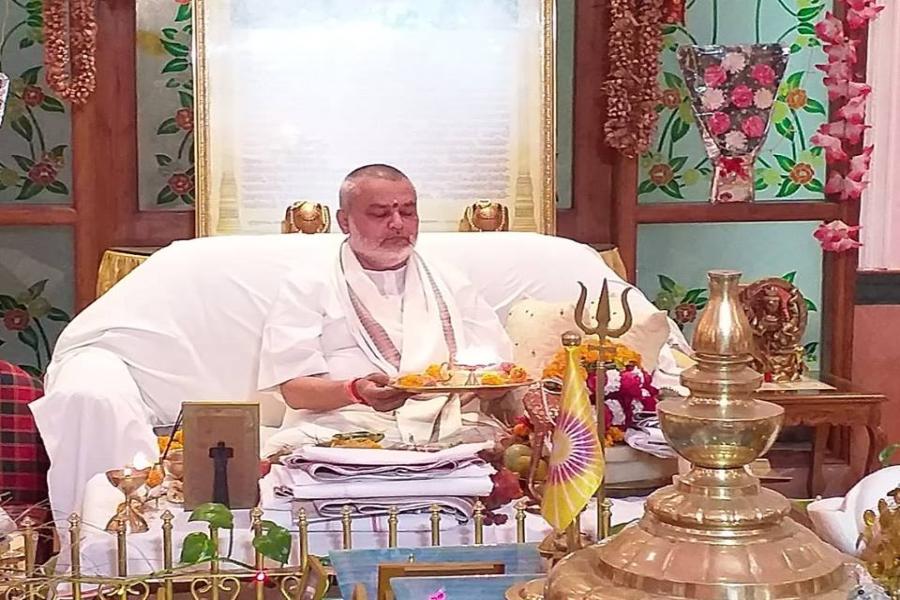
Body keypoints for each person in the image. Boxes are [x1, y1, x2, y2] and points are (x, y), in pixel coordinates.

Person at [259, 164, 513, 450]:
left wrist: (490, 384)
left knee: (504, 449)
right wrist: (355, 391)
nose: (397, 224)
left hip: (448, 425)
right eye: (380, 214)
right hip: (341, 424)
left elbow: (498, 369)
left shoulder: (450, 279)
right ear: (345, 221)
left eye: (407, 212)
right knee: (292, 448)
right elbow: (294, 390)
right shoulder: (308, 283)